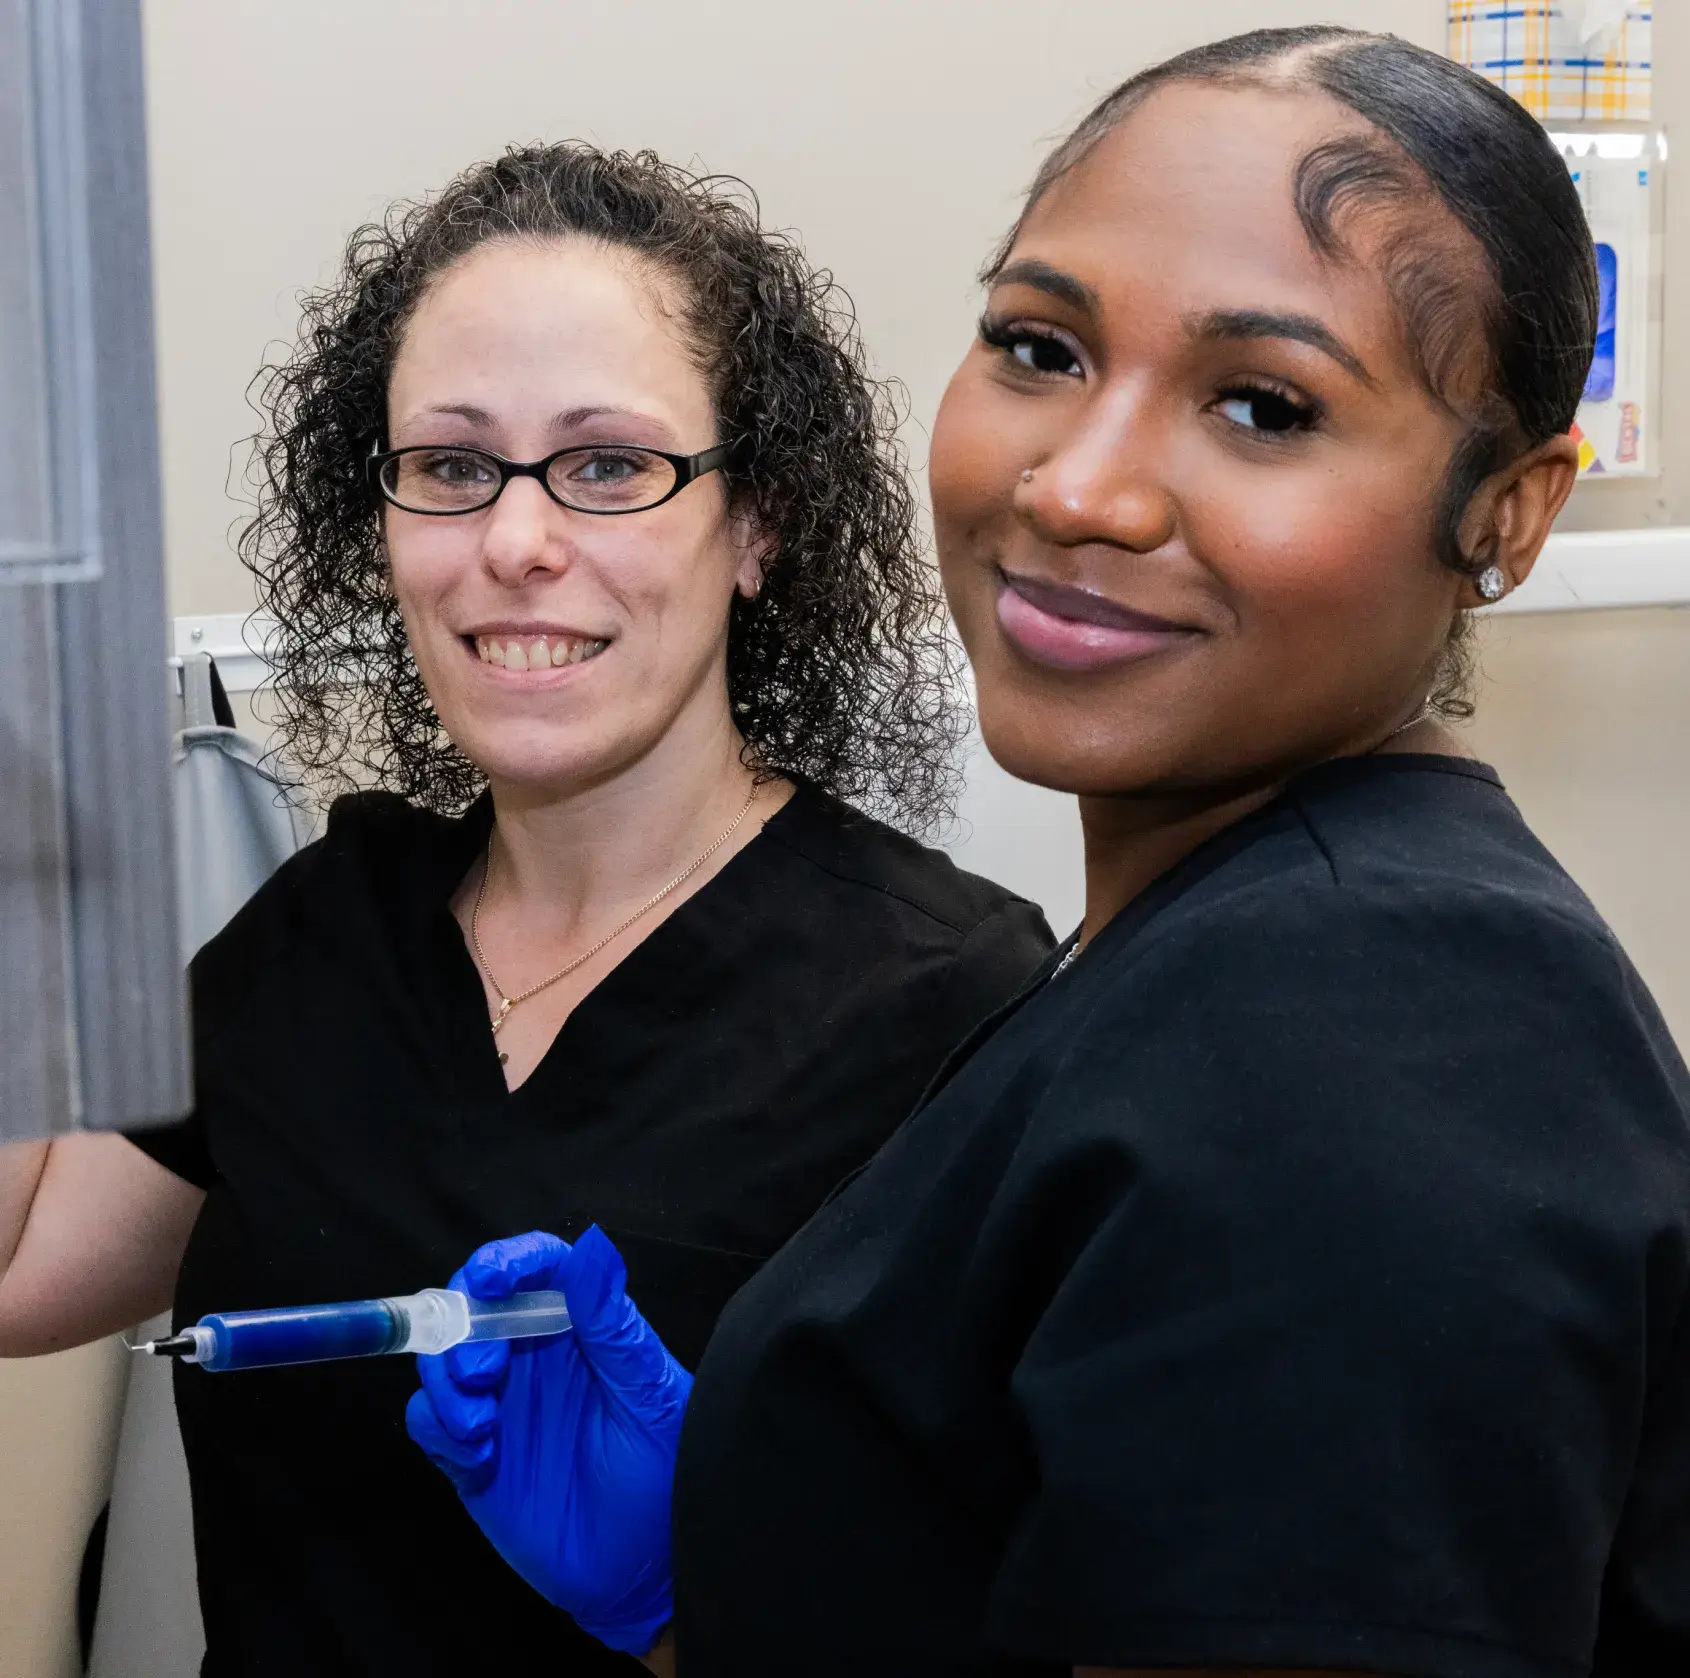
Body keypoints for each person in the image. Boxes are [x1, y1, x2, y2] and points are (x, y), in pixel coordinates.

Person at [409, 28, 1690, 1678]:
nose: (1080, 486)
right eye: (1039, 346)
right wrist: (706, 1594)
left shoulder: (1362, 1033)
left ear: (1501, 514)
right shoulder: (1219, 942)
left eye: (1261, 404)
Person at [0, 145, 1053, 1675]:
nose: (513, 540)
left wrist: (674, 1599)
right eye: (451, 465)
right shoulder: (325, 928)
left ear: (754, 525)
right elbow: (21, 1269)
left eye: (609, 465)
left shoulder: (952, 1001)